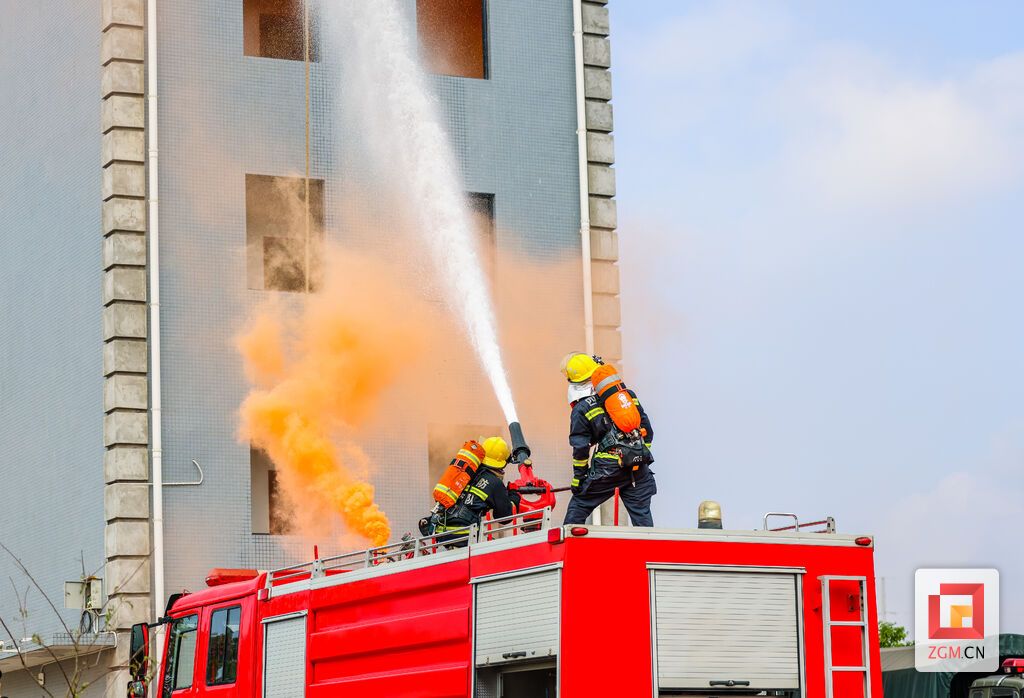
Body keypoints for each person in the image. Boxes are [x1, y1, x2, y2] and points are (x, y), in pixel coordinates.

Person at [560, 352, 656, 526]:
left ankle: (568, 549)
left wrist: (578, 480)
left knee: (580, 504)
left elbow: (580, 448)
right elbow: (647, 430)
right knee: (643, 521)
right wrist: (638, 453)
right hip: (638, 469)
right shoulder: (626, 395)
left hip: (608, 469)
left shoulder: (581, 408)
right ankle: (648, 552)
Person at [435, 436, 518, 546]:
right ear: (503, 462)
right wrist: (513, 497)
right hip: (465, 537)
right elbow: (504, 518)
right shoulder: (495, 482)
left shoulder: (466, 473)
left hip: (441, 533)